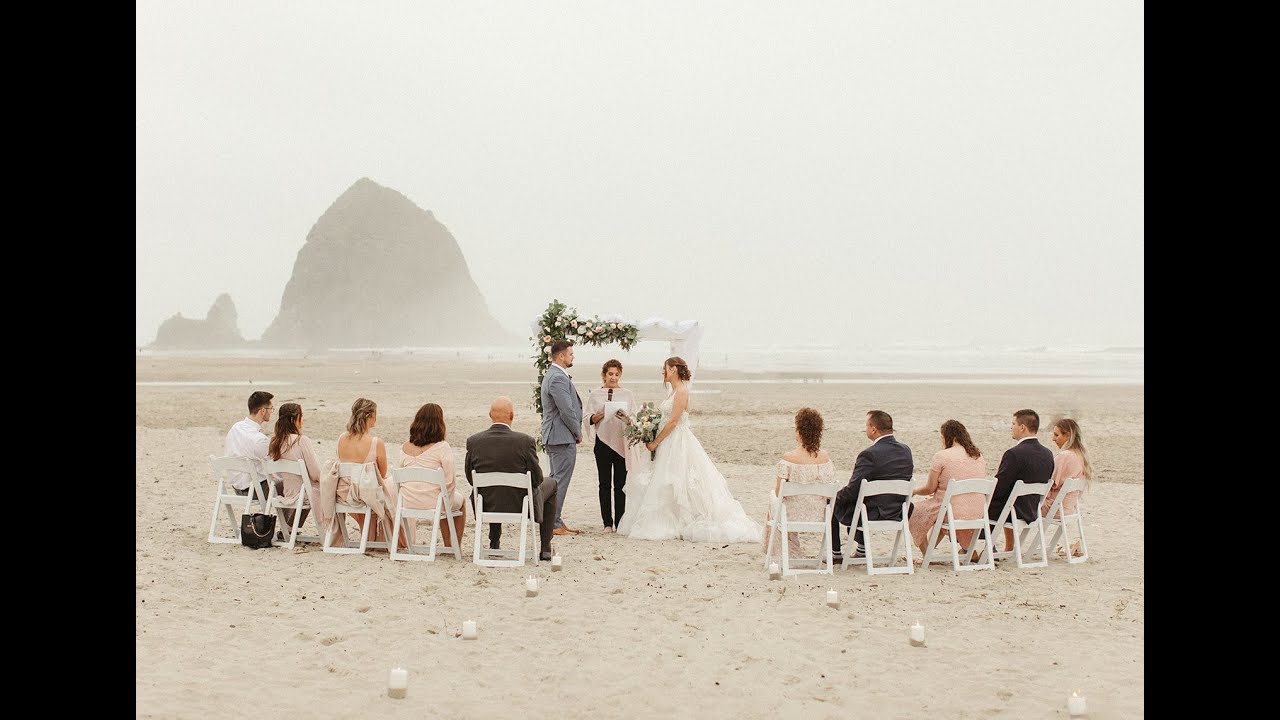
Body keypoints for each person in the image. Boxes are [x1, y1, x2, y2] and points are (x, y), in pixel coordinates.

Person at [615, 357, 760, 543]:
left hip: (676, 442)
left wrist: (656, 442)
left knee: (677, 478)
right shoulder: (673, 390)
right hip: (668, 441)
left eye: (665, 368)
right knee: (666, 480)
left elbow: (674, 422)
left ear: (674, 369)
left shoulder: (681, 391)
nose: (663, 371)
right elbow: (664, 418)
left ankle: (680, 519)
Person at [465, 396, 557, 561]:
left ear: (490, 415)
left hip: (487, 503)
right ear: (512, 416)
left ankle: (494, 542)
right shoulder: (525, 441)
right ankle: (545, 548)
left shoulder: (474, 442)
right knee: (552, 483)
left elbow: (471, 479)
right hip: (520, 504)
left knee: (491, 487)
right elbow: (536, 479)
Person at [831, 410, 913, 562]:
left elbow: (853, 489)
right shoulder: (906, 451)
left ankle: (835, 553)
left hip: (874, 513)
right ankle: (861, 549)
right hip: (899, 510)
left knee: (835, 502)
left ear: (873, 429)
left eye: (867, 425)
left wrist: (834, 496)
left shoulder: (869, 454)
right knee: (862, 500)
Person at [328, 398, 401, 548]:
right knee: (388, 486)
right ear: (368, 417)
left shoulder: (342, 438)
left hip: (343, 493)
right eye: (375, 414)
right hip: (363, 493)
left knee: (371, 487)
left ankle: (367, 535)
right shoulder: (376, 442)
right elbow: (381, 473)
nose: (376, 418)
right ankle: (381, 537)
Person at [762, 407, 835, 556]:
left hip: (791, 516)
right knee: (782, 503)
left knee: (773, 499)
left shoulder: (789, 458)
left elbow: (778, 493)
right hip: (819, 515)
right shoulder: (825, 458)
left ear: (800, 432)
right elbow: (829, 491)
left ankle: (779, 553)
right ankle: (791, 549)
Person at [908, 419, 986, 554]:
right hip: (978, 512)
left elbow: (930, 488)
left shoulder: (941, 456)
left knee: (915, 512)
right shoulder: (978, 456)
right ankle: (967, 550)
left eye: (942, 437)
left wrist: (914, 491)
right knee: (940, 508)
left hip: (952, 510)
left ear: (949, 437)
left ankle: (926, 554)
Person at [399, 402, 467, 547]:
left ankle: (449, 544)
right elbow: (449, 481)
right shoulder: (442, 447)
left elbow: (399, 479)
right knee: (457, 501)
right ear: (439, 424)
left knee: (443, 497)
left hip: (407, 501)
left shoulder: (405, 447)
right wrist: (446, 506)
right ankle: (453, 546)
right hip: (433, 502)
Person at [583, 359, 638, 532]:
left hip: (621, 442)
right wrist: (598, 415)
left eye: (616, 374)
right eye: (610, 374)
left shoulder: (628, 394)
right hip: (602, 443)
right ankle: (607, 522)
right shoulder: (595, 395)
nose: (613, 378)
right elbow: (587, 418)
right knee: (604, 483)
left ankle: (620, 521)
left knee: (620, 484)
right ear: (604, 375)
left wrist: (626, 417)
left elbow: (635, 418)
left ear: (620, 375)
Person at [989, 408, 1054, 553]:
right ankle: (1006, 547)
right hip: (1032, 509)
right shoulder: (1048, 454)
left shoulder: (1013, 454)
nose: (1011, 427)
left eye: (1013, 424)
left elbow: (999, 487)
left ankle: (982, 547)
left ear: (1022, 427)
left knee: (980, 504)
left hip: (1013, 511)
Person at [540, 340, 583, 536]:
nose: (572, 356)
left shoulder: (555, 375)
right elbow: (566, 410)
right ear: (561, 356)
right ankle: (553, 522)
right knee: (559, 482)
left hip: (557, 436)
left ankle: (555, 519)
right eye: (570, 353)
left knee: (555, 479)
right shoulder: (557, 377)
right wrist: (577, 432)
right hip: (561, 437)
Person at [267, 402, 323, 534]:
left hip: (287, 491)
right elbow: (315, 474)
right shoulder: (301, 441)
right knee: (323, 487)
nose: (303, 419)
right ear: (294, 420)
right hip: (303, 494)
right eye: (301, 415)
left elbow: (277, 473)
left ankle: (289, 528)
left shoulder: (274, 442)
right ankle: (331, 529)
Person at [1041, 418, 1093, 557]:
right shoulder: (1081, 456)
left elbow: (1051, 483)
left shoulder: (1065, 456)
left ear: (1067, 436)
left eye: (1056, 435)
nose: (1053, 439)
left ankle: (1009, 547)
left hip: (1054, 509)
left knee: (1015, 504)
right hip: (1068, 509)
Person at [224, 391, 273, 502]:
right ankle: (288, 520)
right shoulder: (259, 439)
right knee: (298, 489)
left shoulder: (235, 428)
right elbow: (272, 464)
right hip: (255, 490)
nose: (271, 412)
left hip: (237, 488)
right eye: (271, 409)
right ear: (263, 410)